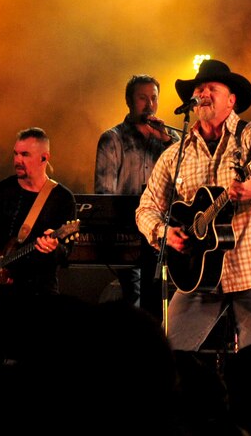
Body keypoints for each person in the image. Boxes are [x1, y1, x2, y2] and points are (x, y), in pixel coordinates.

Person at [135, 59, 251, 352]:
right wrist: (164, 232)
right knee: (167, 354)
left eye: (212, 88)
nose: (204, 93)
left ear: (231, 100)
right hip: (198, 274)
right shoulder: (175, 154)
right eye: (199, 89)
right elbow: (146, 208)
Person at [0, 127, 77, 372]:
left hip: (40, 296)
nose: (16, 160)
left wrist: (53, 248)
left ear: (44, 158)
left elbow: (67, 254)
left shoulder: (62, 199)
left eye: (24, 154)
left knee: (38, 364)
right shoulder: (3, 190)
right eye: (15, 153)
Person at [94, 73, 178, 318]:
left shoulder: (167, 141)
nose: (149, 105)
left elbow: (187, 175)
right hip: (127, 234)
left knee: (162, 301)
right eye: (143, 98)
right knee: (135, 298)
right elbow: (105, 194)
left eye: (154, 98)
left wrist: (166, 140)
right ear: (129, 101)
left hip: (162, 234)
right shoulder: (113, 139)